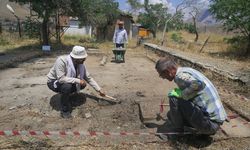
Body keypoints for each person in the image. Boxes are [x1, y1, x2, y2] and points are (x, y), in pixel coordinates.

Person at [155, 57, 227, 139]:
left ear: (168, 71)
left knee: (174, 98)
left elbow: (199, 84)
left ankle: (177, 132)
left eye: (162, 75)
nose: (163, 78)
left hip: (209, 125)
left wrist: (182, 95)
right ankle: (195, 129)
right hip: (215, 122)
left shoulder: (180, 76)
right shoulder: (187, 70)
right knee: (171, 115)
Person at [47, 46, 105, 118]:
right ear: (75, 58)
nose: (84, 59)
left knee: (82, 84)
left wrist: (99, 89)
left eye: (84, 58)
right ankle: (65, 110)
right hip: (53, 82)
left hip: (66, 81)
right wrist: (78, 80)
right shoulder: (62, 61)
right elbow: (61, 79)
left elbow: (88, 78)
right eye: (82, 58)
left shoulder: (80, 64)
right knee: (67, 86)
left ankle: (69, 96)